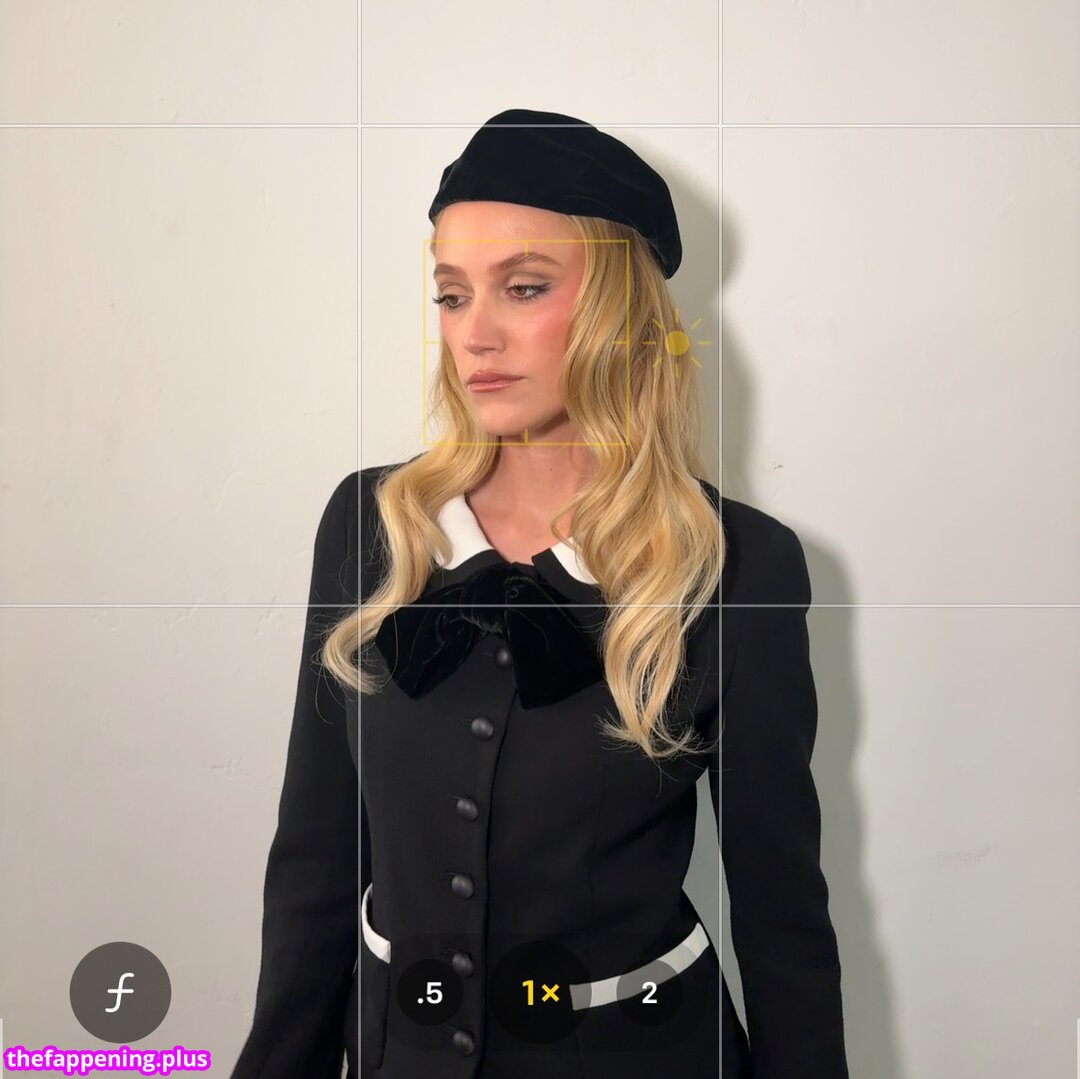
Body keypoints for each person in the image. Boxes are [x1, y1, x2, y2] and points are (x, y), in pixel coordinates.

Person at [231, 108, 849, 1079]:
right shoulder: (369, 526)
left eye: (523, 288)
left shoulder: (742, 568)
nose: (475, 333)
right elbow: (312, 871)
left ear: (617, 309)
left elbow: (782, 919)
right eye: (451, 294)